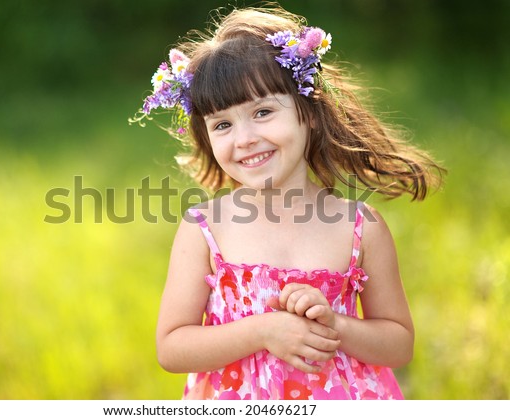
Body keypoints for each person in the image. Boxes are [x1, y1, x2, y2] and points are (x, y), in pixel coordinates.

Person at [130, 4, 444, 400]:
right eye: (223, 124)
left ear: (309, 113)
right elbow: (172, 347)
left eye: (262, 112)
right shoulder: (206, 229)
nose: (243, 138)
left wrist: (337, 325)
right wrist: (262, 331)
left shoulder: (359, 227)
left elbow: (399, 344)